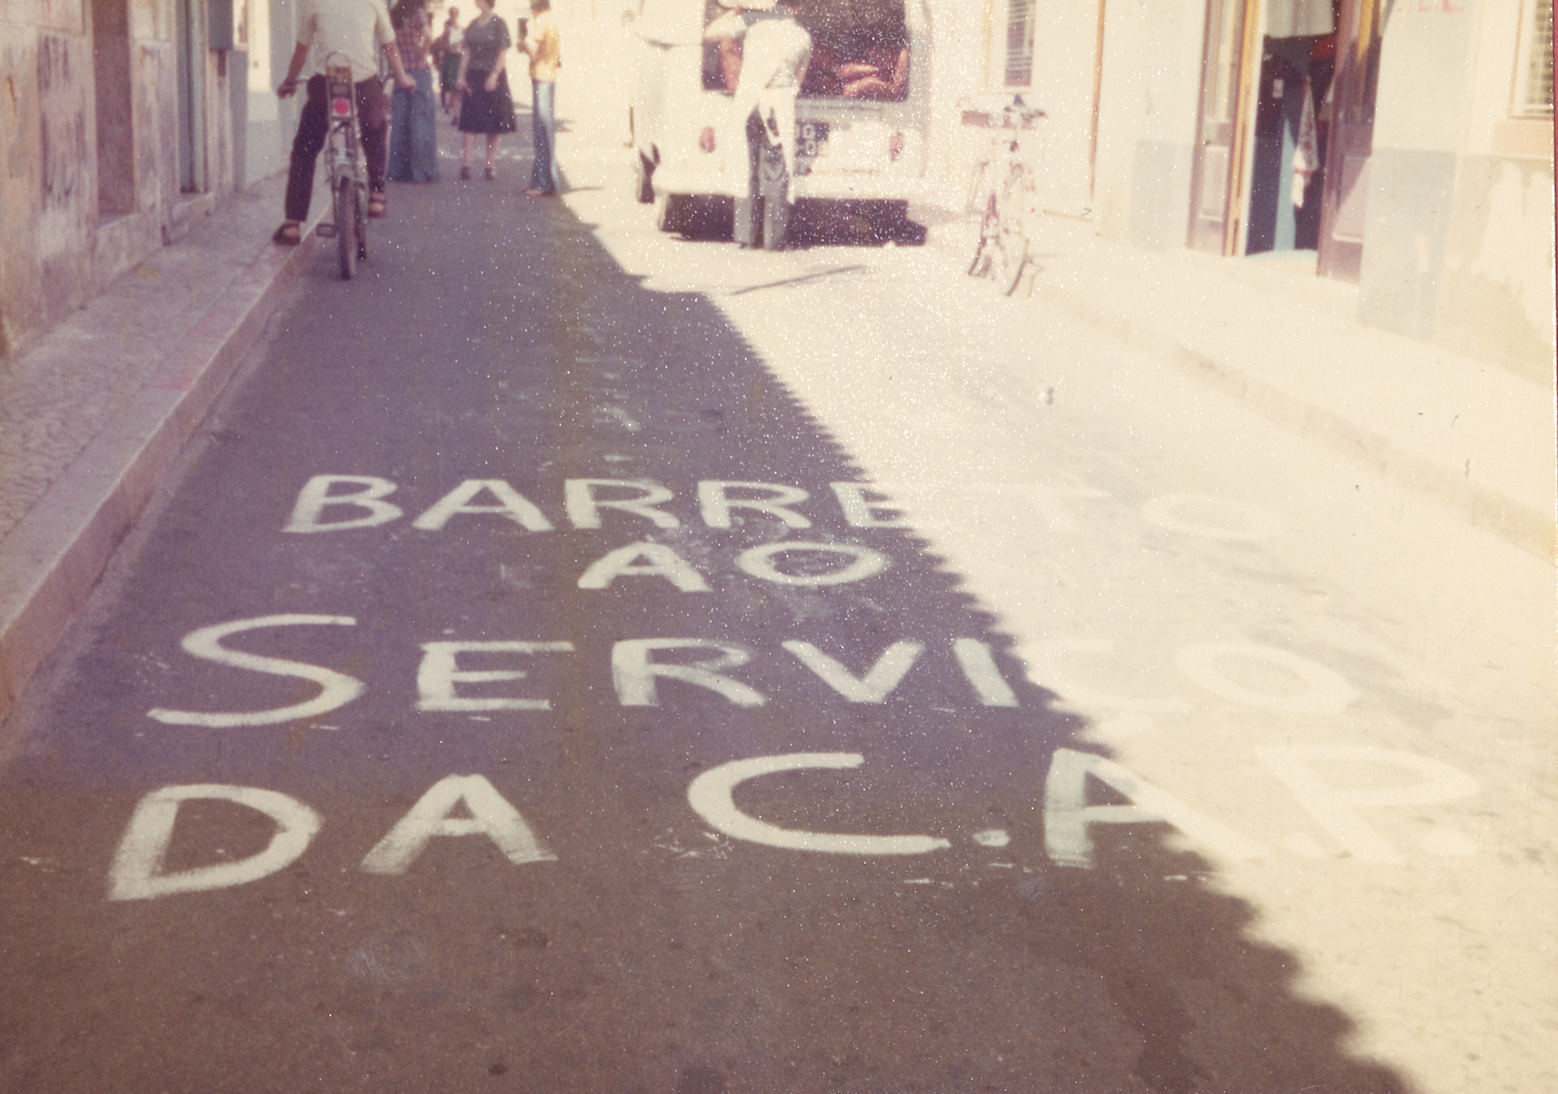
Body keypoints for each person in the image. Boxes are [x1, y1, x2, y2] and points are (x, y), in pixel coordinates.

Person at [273, 0, 417, 244]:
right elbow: (389, 45)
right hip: (363, 84)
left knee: (304, 149)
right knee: (376, 128)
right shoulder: (374, 3)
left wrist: (289, 81)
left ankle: (292, 225)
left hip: (326, 83)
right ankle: (377, 196)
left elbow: (302, 50)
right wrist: (402, 77)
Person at [704, 0, 811, 249]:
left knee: (747, 166)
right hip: (779, 104)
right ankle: (774, 240)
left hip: (751, 102)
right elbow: (799, 80)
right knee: (777, 171)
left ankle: (746, 236)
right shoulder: (803, 36)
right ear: (797, 7)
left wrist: (738, 8)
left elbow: (710, 33)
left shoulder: (752, 22)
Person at [454, 0, 516, 179]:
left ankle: (490, 166)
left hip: (493, 76)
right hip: (474, 75)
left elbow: (503, 53)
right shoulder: (473, 24)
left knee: (494, 123)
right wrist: (460, 76)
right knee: (470, 120)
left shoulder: (499, 23)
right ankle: (466, 165)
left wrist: (494, 75)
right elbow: (467, 52)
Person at [387, 0, 439, 182]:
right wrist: (422, 53)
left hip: (400, 71)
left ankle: (399, 171)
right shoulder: (417, 12)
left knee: (400, 122)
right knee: (421, 121)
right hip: (419, 71)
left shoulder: (393, 15)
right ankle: (422, 171)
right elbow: (429, 36)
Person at [518, 0, 563, 196]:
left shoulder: (540, 22)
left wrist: (523, 44)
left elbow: (533, 52)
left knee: (542, 131)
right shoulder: (549, 21)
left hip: (542, 78)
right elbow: (558, 59)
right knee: (543, 131)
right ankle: (540, 180)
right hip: (547, 77)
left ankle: (543, 183)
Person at [432, 7, 463, 114]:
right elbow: (440, 45)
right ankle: (447, 104)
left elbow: (466, 45)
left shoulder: (462, 30)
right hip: (449, 58)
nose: (453, 16)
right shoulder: (446, 30)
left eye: (455, 14)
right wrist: (449, 47)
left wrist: (460, 45)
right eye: (452, 14)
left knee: (456, 85)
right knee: (448, 84)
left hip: (459, 58)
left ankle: (455, 112)